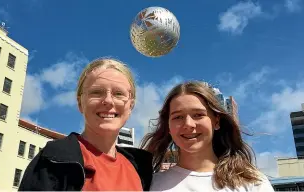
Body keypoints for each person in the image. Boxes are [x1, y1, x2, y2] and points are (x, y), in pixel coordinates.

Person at [18, 58, 153, 191]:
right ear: (80, 103)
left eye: (118, 94)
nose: (108, 100)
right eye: (96, 92)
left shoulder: (141, 168)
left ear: (131, 106)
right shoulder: (52, 161)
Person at [140, 81, 274, 192]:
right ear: (168, 127)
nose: (188, 124)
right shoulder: (149, 185)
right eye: (178, 117)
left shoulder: (253, 183)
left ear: (216, 121)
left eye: (198, 115)